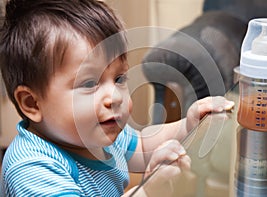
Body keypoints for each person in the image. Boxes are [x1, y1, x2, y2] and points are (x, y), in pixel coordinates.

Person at [0, 0, 235, 196]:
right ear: (31, 103)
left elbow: (143, 145)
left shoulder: (97, 133)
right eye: (89, 83)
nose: (114, 97)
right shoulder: (32, 168)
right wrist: (146, 191)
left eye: (119, 79)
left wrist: (190, 123)